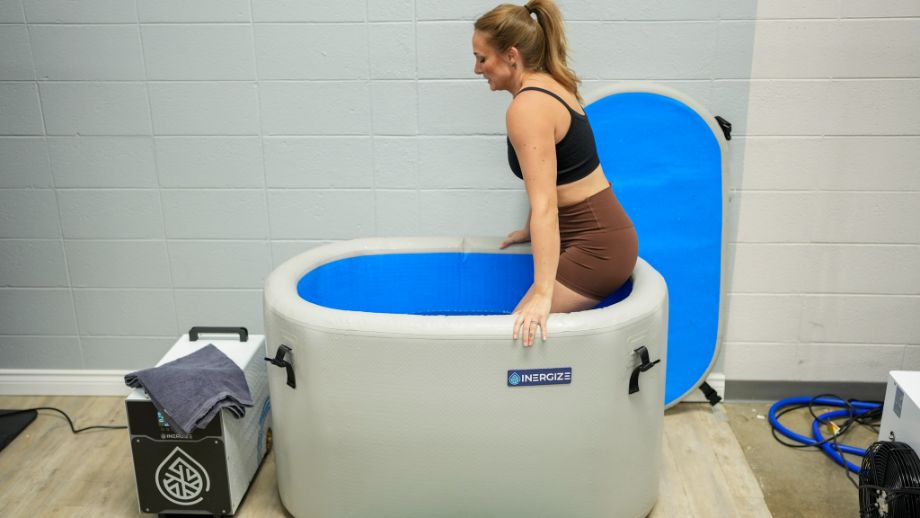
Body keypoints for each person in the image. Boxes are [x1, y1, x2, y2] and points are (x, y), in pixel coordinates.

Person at [472, 0, 638, 347]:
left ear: (511, 55)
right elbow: (553, 176)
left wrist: (544, 294)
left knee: (514, 339)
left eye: (482, 58)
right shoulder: (551, 85)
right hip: (603, 234)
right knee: (520, 338)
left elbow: (548, 205)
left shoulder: (527, 107)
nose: (477, 69)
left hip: (597, 246)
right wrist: (527, 227)